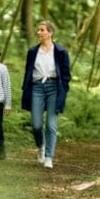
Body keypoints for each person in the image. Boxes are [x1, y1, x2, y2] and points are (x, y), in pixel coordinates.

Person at [21, 21, 71, 169]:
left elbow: (66, 74)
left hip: (54, 87)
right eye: (38, 30)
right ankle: (41, 146)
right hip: (37, 87)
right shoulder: (32, 52)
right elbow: (27, 72)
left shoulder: (61, 52)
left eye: (42, 30)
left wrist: (64, 90)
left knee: (51, 125)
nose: (39, 32)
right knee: (36, 125)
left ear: (50, 33)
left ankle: (49, 157)